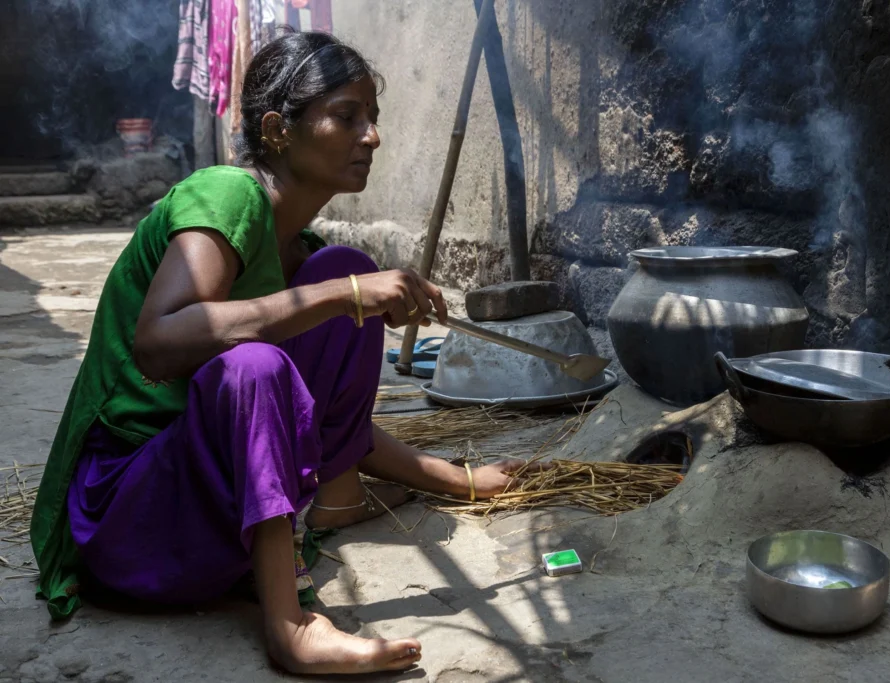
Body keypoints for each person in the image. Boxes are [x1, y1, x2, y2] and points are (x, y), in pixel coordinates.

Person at [31, 30, 532, 675]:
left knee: (342, 272)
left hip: (209, 507)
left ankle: (338, 497)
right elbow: (161, 343)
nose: (372, 136)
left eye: (373, 119)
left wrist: (460, 480)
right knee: (261, 356)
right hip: (134, 527)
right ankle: (289, 622)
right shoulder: (225, 194)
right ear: (276, 130)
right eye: (348, 117)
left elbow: (290, 419)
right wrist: (341, 294)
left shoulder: (301, 245)